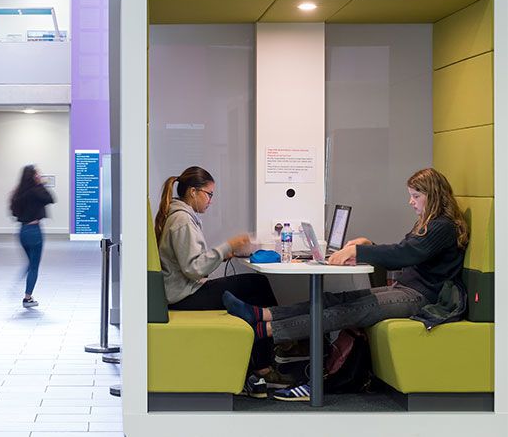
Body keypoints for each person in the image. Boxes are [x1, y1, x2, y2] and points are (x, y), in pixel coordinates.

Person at [223, 168, 469, 400]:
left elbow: (406, 255)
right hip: (405, 290)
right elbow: (405, 253)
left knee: (345, 312)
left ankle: (262, 331)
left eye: (416, 196)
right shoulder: (428, 223)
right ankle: (260, 314)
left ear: (433, 195)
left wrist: (359, 251)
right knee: (335, 299)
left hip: (421, 297)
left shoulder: (442, 226)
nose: (411, 202)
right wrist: (368, 245)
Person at [155, 166, 281, 391]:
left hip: (185, 291)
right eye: (209, 194)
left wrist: (227, 254)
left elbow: (191, 262)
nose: (210, 200)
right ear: (193, 192)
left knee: (255, 287)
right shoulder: (182, 220)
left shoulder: (180, 216)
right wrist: (227, 247)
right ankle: (267, 361)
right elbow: (194, 268)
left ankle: (263, 359)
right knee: (257, 285)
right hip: (184, 297)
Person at [10, 165, 55, 308]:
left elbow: (14, 213)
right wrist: (40, 183)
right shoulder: (37, 191)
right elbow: (51, 198)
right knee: (34, 266)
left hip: (22, 231)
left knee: (30, 263)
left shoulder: (18, 193)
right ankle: (27, 297)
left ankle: (19, 282)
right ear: (34, 176)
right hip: (35, 231)